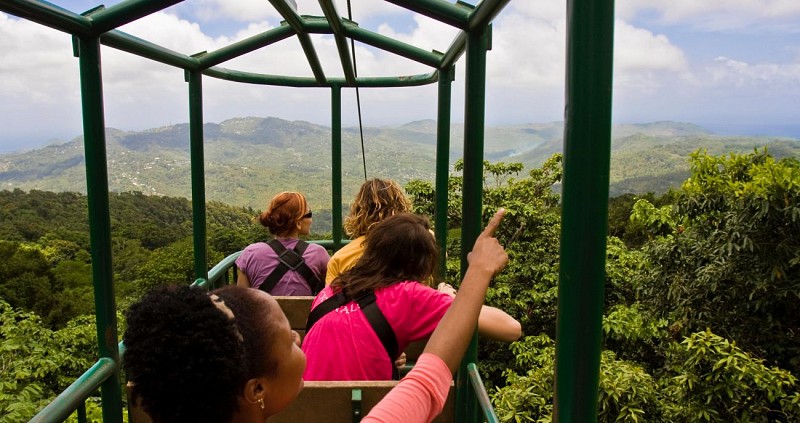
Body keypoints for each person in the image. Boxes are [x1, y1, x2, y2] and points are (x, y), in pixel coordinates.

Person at [122, 209, 511, 423]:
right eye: (288, 339)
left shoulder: (332, 289)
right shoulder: (409, 294)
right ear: (256, 390)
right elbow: (429, 378)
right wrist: (478, 272)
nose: (298, 338)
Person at [301, 212, 521, 381]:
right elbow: (510, 328)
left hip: (304, 409)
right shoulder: (407, 295)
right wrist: (450, 297)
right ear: (422, 265)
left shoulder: (331, 290)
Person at [236, 191, 329, 295]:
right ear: (298, 223)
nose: (311, 219)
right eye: (309, 214)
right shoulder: (319, 254)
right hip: (306, 312)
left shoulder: (250, 254)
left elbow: (241, 301)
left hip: (265, 311)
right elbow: (331, 293)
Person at [326, 178, 411, 284]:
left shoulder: (340, 258)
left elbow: (330, 298)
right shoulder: (419, 245)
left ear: (358, 211)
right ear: (401, 208)